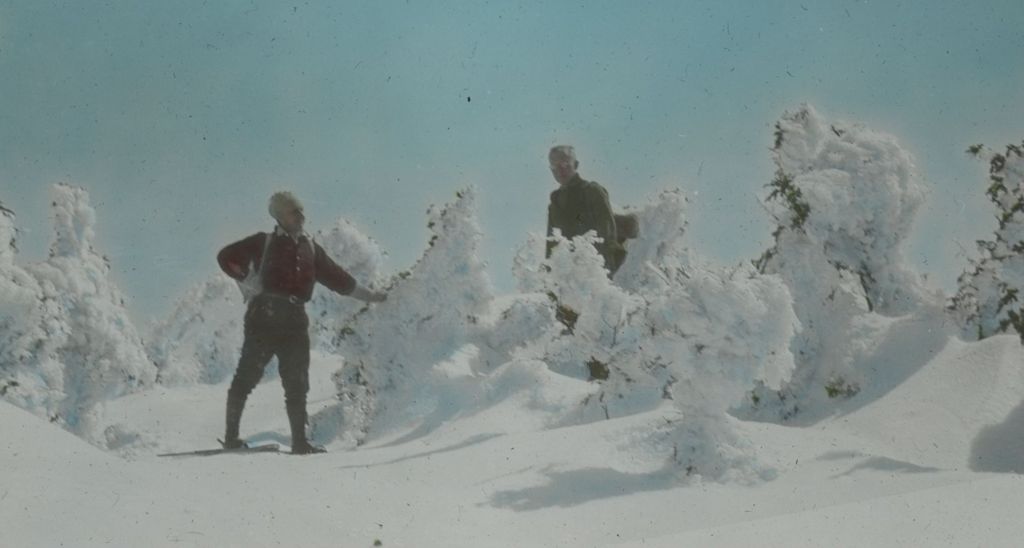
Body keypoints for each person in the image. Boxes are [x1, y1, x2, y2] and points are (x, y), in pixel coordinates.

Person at [217, 191, 385, 455]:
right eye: (295, 212)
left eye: (301, 211)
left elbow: (340, 279)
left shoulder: (311, 248)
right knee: (247, 376)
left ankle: (299, 442)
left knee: (297, 381)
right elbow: (226, 256)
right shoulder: (264, 241)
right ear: (281, 216)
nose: (301, 217)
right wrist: (248, 278)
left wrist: (373, 297)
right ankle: (231, 438)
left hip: (295, 320)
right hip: (264, 315)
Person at [545, 145, 625, 275]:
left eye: (565, 164)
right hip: (568, 275)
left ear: (575, 165)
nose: (560, 170)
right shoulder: (555, 202)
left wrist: (603, 272)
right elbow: (552, 245)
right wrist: (549, 278)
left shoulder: (592, 191)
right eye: (555, 166)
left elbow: (607, 234)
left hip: (595, 271)